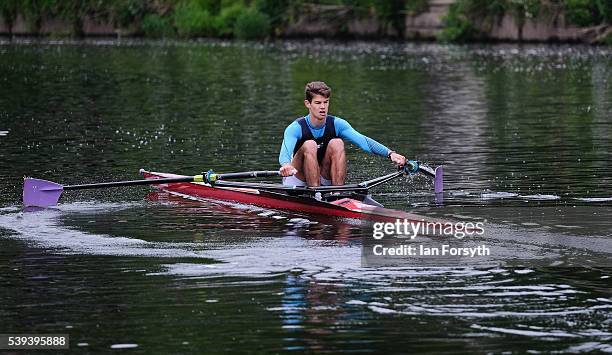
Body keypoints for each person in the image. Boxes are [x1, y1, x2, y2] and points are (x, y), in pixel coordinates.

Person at [279, 81, 407, 187]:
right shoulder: (295, 128)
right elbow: (285, 152)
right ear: (308, 104)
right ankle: (315, 193)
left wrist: (391, 154)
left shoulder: (337, 124)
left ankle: (337, 193)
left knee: (338, 143)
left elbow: (363, 141)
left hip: (323, 176)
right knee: (310, 144)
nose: (323, 107)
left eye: (326, 102)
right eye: (318, 103)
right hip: (298, 179)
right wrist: (285, 164)